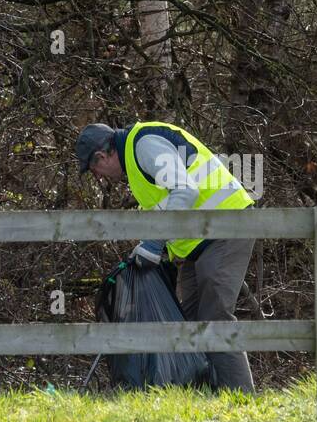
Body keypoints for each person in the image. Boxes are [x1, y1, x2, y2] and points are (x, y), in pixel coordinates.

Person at [76, 121, 257, 392]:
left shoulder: (144, 146)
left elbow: (185, 190)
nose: (100, 178)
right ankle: (213, 403)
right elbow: (168, 204)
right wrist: (154, 247)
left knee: (213, 318)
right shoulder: (136, 161)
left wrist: (153, 244)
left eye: (95, 171)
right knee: (190, 323)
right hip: (199, 244)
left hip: (225, 228)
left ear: (103, 156)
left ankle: (243, 403)